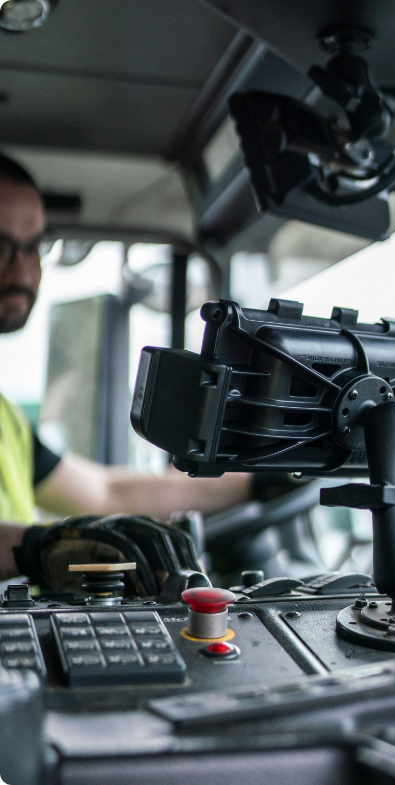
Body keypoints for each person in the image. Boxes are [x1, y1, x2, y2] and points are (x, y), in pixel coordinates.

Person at [0, 154, 252, 583]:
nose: (22, 270)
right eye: (1, 246)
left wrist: (258, 481)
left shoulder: (8, 420)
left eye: (34, 247)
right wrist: (38, 547)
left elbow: (107, 493)